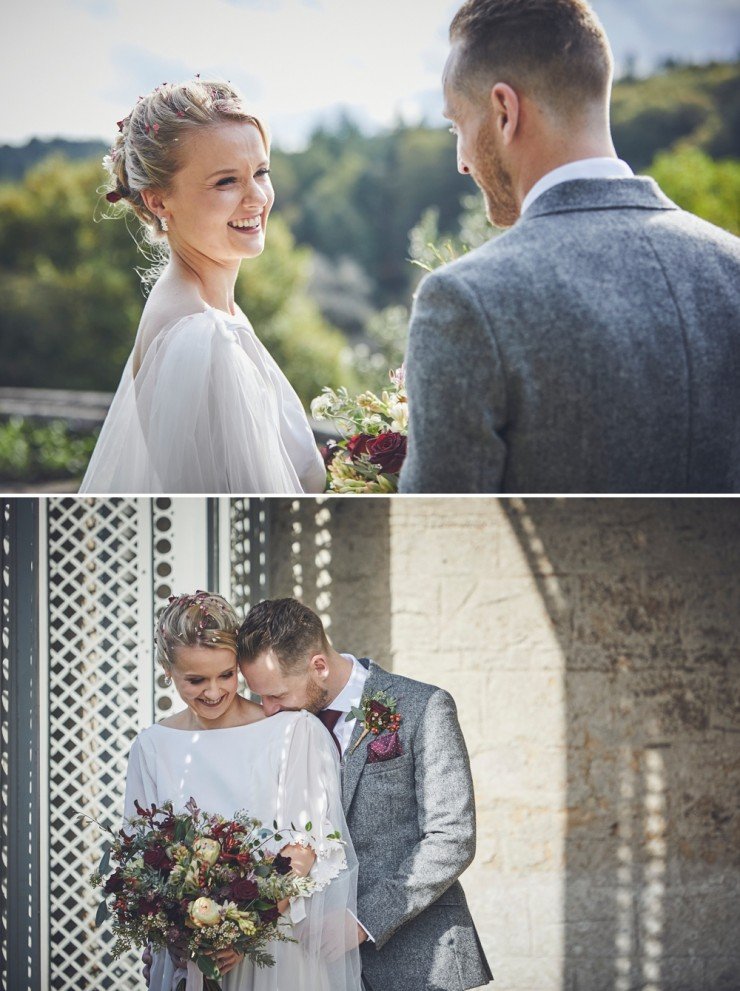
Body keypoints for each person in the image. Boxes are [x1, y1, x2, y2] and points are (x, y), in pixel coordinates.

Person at [399, 0, 740, 494]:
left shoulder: (466, 301)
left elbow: (435, 549)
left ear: (504, 111)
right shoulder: (732, 271)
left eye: (457, 126)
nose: (461, 161)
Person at [80, 79, 325, 495]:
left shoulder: (209, 311)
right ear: (158, 201)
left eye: (261, 172)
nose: (257, 198)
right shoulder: (199, 333)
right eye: (226, 181)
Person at [236, 598, 493, 991]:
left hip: (417, 959)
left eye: (276, 695)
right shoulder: (280, 727)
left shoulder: (423, 707)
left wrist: (363, 920)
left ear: (318, 666)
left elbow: (452, 838)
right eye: (259, 696)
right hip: (314, 966)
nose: (267, 709)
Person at [127, 591, 362, 991]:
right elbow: (141, 858)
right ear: (168, 671)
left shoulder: (292, 732)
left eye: (227, 674)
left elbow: (306, 848)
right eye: (196, 680)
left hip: (274, 950)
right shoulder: (151, 747)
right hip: (187, 955)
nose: (215, 692)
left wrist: (243, 929)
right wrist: (170, 931)